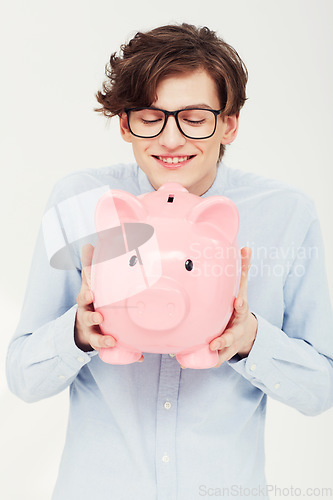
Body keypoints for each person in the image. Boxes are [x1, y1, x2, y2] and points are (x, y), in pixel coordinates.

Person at [6, 23, 333, 500]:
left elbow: (321, 388)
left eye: (195, 117)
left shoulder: (284, 215)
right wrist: (78, 332)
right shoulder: (81, 203)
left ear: (230, 123)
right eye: (150, 116)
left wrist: (250, 341)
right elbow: (23, 379)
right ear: (124, 123)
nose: (171, 139)